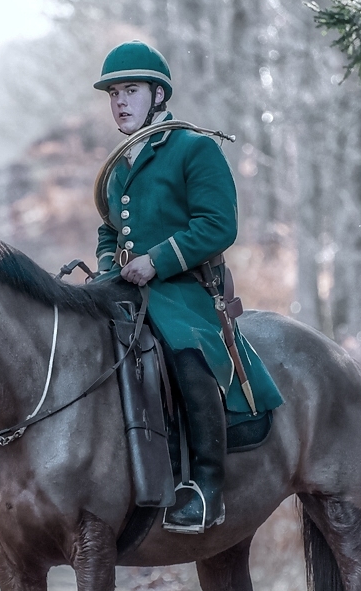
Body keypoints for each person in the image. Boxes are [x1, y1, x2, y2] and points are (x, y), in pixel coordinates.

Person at [93, 41, 283, 534]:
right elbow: (109, 229)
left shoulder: (194, 147)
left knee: (184, 349)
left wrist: (155, 262)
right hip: (128, 290)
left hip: (187, 292)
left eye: (130, 90)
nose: (120, 101)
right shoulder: (118, 163)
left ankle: (206, 490)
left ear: (157, 94)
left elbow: (219, 225)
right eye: (114, 93)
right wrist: (109, 267)